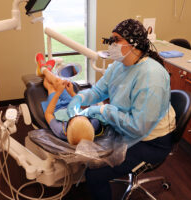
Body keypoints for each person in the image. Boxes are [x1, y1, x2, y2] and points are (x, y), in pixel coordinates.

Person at [67, 19, 176, 200]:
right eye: (111, 40)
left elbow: (139, 127)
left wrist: (103, 111)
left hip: (151, 141)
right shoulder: (119, 65)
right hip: (125, 128)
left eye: (116, 40)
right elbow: (99, 90)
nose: (111, 44)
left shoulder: (152, 76)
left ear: (133, 43)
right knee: (88, 154)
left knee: (95, 174)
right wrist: (80, 98)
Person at [35, 53, 102, 145]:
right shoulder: (94, 124)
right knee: (58, 82)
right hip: (71, 102)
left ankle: (44, 69)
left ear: (68, 127)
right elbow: (86, 106)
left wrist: (58, 93)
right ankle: (46, 70)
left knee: (51, 86)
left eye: (73, 117)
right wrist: (71, 92)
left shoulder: (60, 131)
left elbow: (48, 114)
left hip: (57, 108)